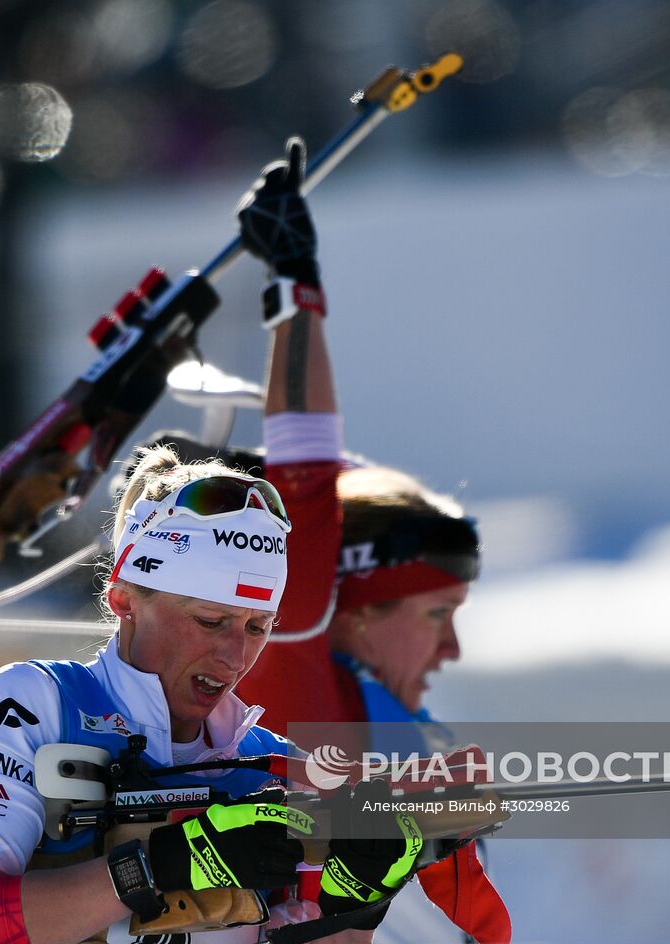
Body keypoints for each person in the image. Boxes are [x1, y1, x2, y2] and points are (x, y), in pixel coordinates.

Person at [0, 147, 425, 944]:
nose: (236, 654)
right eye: (211, 620)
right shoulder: (35, 704)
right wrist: (156, 868)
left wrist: (357, 895)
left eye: (255, 628)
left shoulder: (272, 764)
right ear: (124, 597)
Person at [230, 141, 512, 944]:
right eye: (434, 613)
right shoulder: (283, 654)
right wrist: (294, 292)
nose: (451, 647)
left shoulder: (390, 734)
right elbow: (304, 475)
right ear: (346, 606)